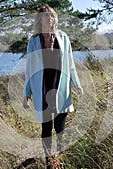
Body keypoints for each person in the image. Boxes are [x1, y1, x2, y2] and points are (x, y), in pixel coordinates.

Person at [22, 4, 83, 168]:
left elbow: (70, 63)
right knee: (47, 129)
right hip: (42, 89)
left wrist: (76, 84)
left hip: (61, 88)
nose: (50, 18)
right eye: (46, 15)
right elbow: (29, 69)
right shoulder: (33, 42)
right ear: (40, 19)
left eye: (52, 15)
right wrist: (26, 94)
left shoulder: (63, 38)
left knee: (61, 129)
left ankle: (60, 161)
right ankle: (50, 162)